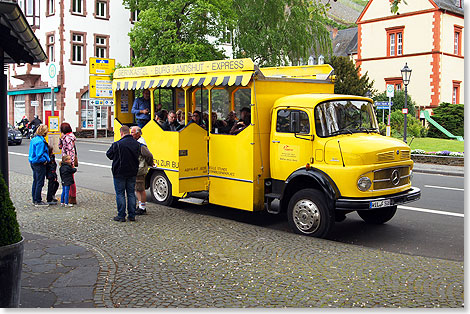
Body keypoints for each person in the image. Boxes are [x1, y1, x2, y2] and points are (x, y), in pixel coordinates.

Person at [106, 125, 141, 222]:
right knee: (131, 193)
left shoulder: (117, 144)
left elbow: (109, 154)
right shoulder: (136, 144)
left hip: (119, 172)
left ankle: (121, 216)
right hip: (132, 171)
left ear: (121, 133)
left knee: (120, 194)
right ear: (129, 132)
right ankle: (132, 215)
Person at [130, 126, 154, 215]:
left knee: (140, 189)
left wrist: (150, 163)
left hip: (140, 168)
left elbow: (149, 155)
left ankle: (142, 208)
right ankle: (140, 205)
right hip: (139, 168)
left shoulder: (141, 144)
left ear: (138, 133)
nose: (131, 134)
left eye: (132, 132)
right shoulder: (138, 142)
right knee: (138, 188)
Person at [28, 124, 50, 207]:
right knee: (40, 182)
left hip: (33, 162)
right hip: (39, 163)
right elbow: (39, 154)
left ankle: (34, 198)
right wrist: (44, 160)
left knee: (35, 180)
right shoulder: (41, 142)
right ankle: (38, 200)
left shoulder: (34, 139)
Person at [58, 122, 78, 204]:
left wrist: (70, 162)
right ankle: (71, 196)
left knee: (69, 180)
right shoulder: (69, 137)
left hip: (67, 161)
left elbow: (69, 149)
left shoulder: (67, 138)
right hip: (68, 160)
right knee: (70, 179)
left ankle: (71, 197)